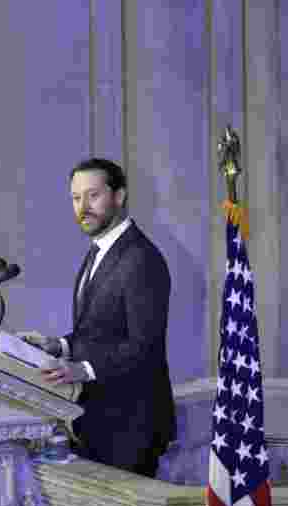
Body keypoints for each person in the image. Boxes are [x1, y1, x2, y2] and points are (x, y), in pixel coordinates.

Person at [22, 158, 175, 475]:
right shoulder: (99, 250)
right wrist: (58, 346)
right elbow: (99, 332)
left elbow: (143, 347)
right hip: (97, 419)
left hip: (131, 426)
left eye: (93, 196)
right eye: (76, 198)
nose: (83, 207)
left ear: (119, 197)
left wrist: (82, 369)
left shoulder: (140, 258)